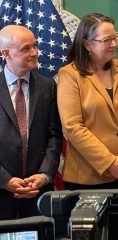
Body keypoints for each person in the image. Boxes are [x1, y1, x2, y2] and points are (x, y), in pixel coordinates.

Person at [57, 13, 118, 190]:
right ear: (87, 44)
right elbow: (73, 127)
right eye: (107, 40)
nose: (114, 44)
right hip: (87, 177)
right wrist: (110, 163)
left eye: (115, 37)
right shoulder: (70, 75)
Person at [0, 25, 63, 220]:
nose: (34, 52)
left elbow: (54, 136)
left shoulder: (47, 86)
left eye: (35, 46)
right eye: (26, 48)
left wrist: (45, 174)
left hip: (38, 191)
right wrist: (5, 180)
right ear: (6, 53)